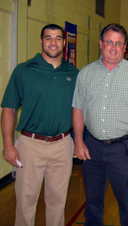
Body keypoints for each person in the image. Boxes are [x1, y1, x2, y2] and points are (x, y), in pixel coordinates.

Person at [72, 23, 128, 226]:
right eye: (109, 42)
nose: (113, 47)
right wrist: (79, 143)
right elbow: (78, 109)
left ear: (125, 47)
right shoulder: (86, 73)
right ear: (101, 44)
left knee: (127, 204)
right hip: (92, 147)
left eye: (119, 43)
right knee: (92, 204)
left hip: (123, 149)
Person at [1, 24, 79, 226]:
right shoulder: (24, 71)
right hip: (30, 145)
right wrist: (8, 145)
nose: (53, 42)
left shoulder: (73, 73)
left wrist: (78, 142)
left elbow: (79, 111)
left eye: (58, 38)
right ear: (41, 41)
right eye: (48, 38)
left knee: (57, 202)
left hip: (62, 145)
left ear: (64, 43)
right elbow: (9, 109)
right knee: (25, 203)